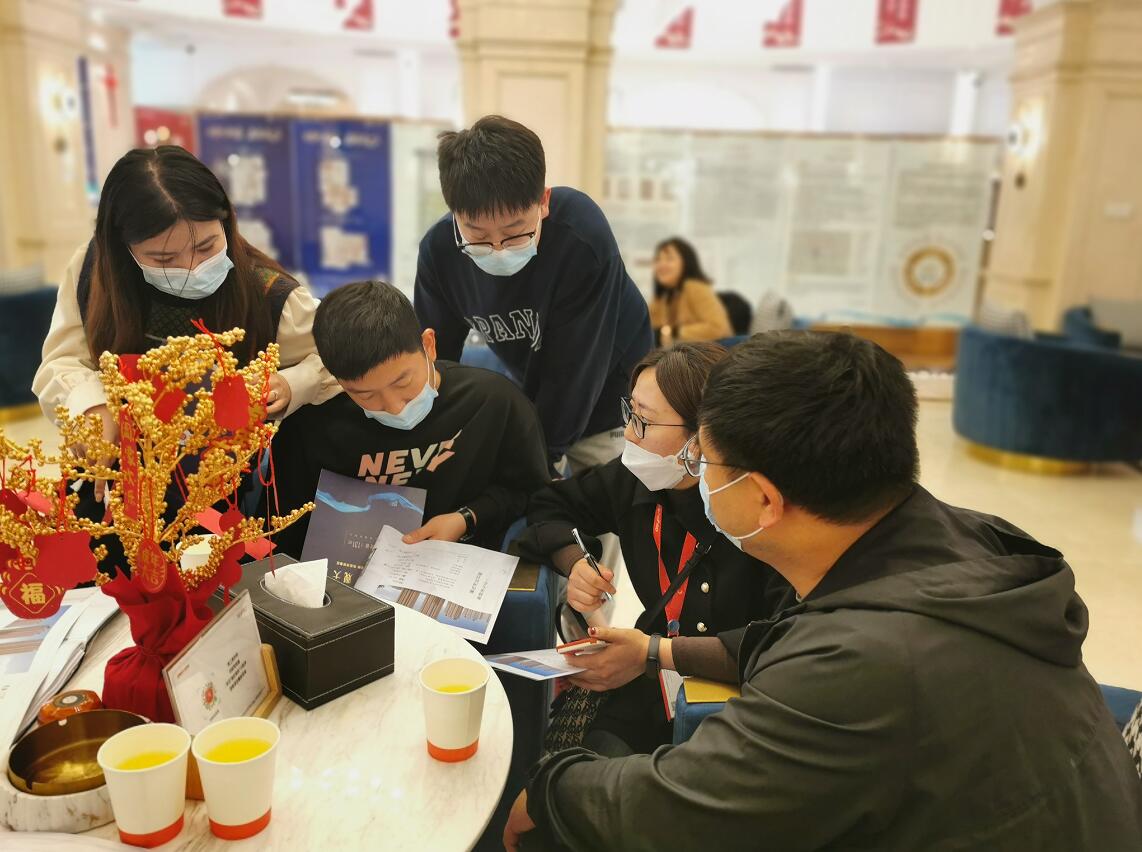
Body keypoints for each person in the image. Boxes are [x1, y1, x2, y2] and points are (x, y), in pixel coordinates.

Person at [506, 331, 1142, 851]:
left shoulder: (858, 667)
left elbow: (686, 807)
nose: (696, 476)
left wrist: (554, 790)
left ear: (764, 499)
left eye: (705, 463)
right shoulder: (960, 537)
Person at [520, 341, 789, 756]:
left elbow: (784, 645)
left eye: (644, 422)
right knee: (571, 767)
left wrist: (652, 651)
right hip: (654, 681)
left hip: (745, 704)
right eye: (630, 413)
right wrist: (576, 564)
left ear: (701, 440)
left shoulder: (760, 517)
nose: (629, 434)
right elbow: (548, 506)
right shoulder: (637, 480)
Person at [34, 145, 338, 501]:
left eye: (207, 247)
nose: (191, 268)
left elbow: (344, 360)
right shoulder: (96, 271)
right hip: (119, 489)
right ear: (123, 250)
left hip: (228, 494)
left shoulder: (271, 295)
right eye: (164, 259)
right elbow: (62, 360)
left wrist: (293, 383)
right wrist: (90, 403)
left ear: (226, 223)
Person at [413, 115, 652, 473]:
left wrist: (536, 458)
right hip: (532, 386)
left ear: (543, 201)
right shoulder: (439, 251)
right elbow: (435, 359)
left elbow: (576, 369)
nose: (497, 249)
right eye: (478, 236)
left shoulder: (580, 235)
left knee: (600, 496)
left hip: (610, 389)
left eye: (515, 233)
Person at [269, 279, 550, 557]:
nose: (393, 407)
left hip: (457, 565)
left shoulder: (493, 402)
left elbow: (529, 492)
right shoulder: (314, 423)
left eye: (402, 382)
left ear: (429, 345)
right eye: (365, 394)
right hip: (339, 575)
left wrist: (466, 518)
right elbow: (282, 526)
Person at [649, 237, 732, 346]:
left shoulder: (695, 287)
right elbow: (651, 330)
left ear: (686, 262)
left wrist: (674, 332)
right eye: (658, 259)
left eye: (669, 259)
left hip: (710, 353)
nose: (661, 265)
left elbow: (719, 328)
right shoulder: (662, 297)